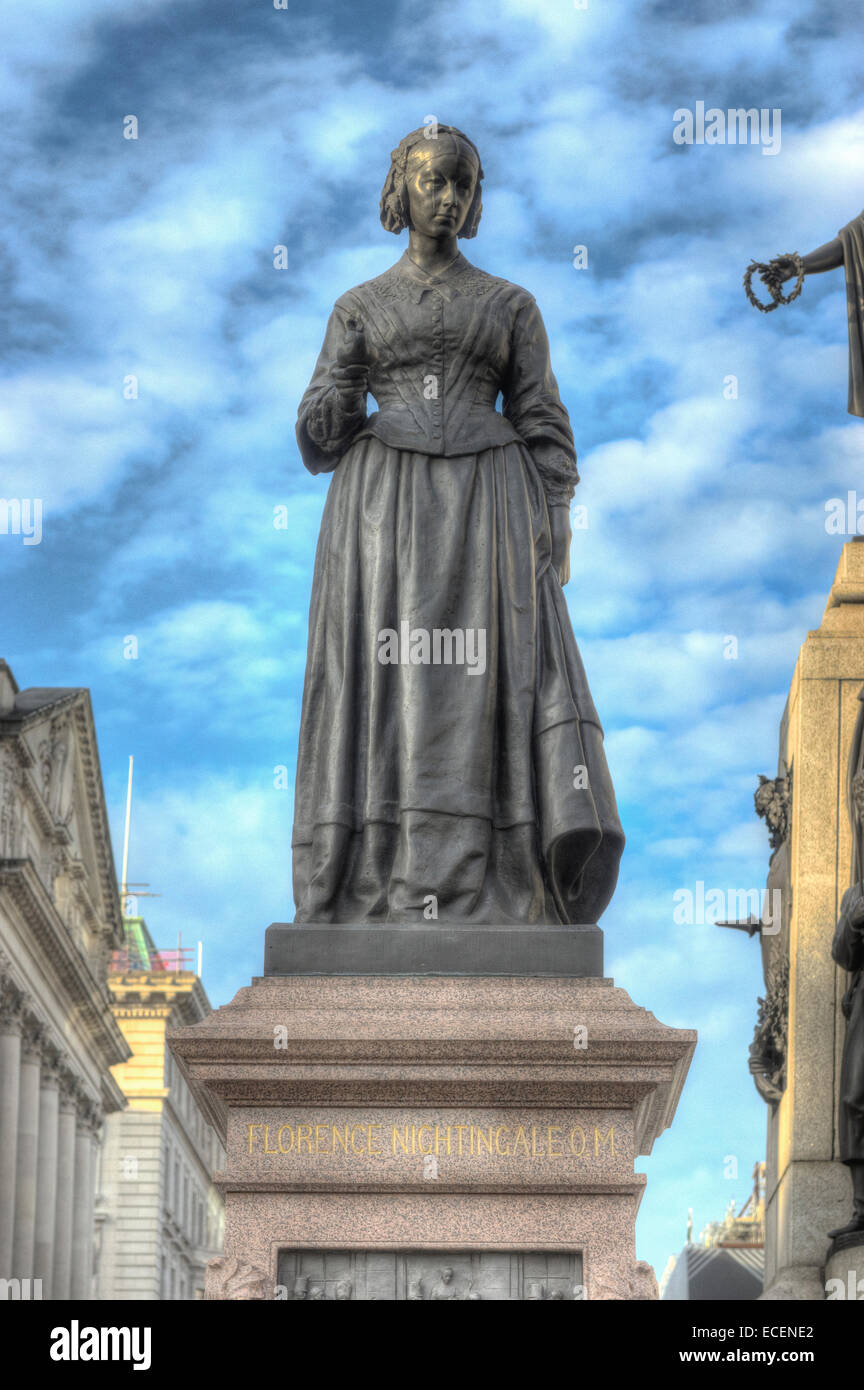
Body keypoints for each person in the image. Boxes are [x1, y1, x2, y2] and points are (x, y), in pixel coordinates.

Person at [292, 125, 623, 927]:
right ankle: (374, 868)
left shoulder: (511, 305)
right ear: (399, 189)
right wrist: (341, 382)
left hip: (492, 511)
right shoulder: (357, 307)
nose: (448, 196)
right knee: (385, 684)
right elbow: (316, 441)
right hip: (381, 511)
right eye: (433, 180)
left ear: (476, 201)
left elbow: (542, 416)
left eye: (462, 185)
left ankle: (507, 872)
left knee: (493, 684)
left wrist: (557, 518)